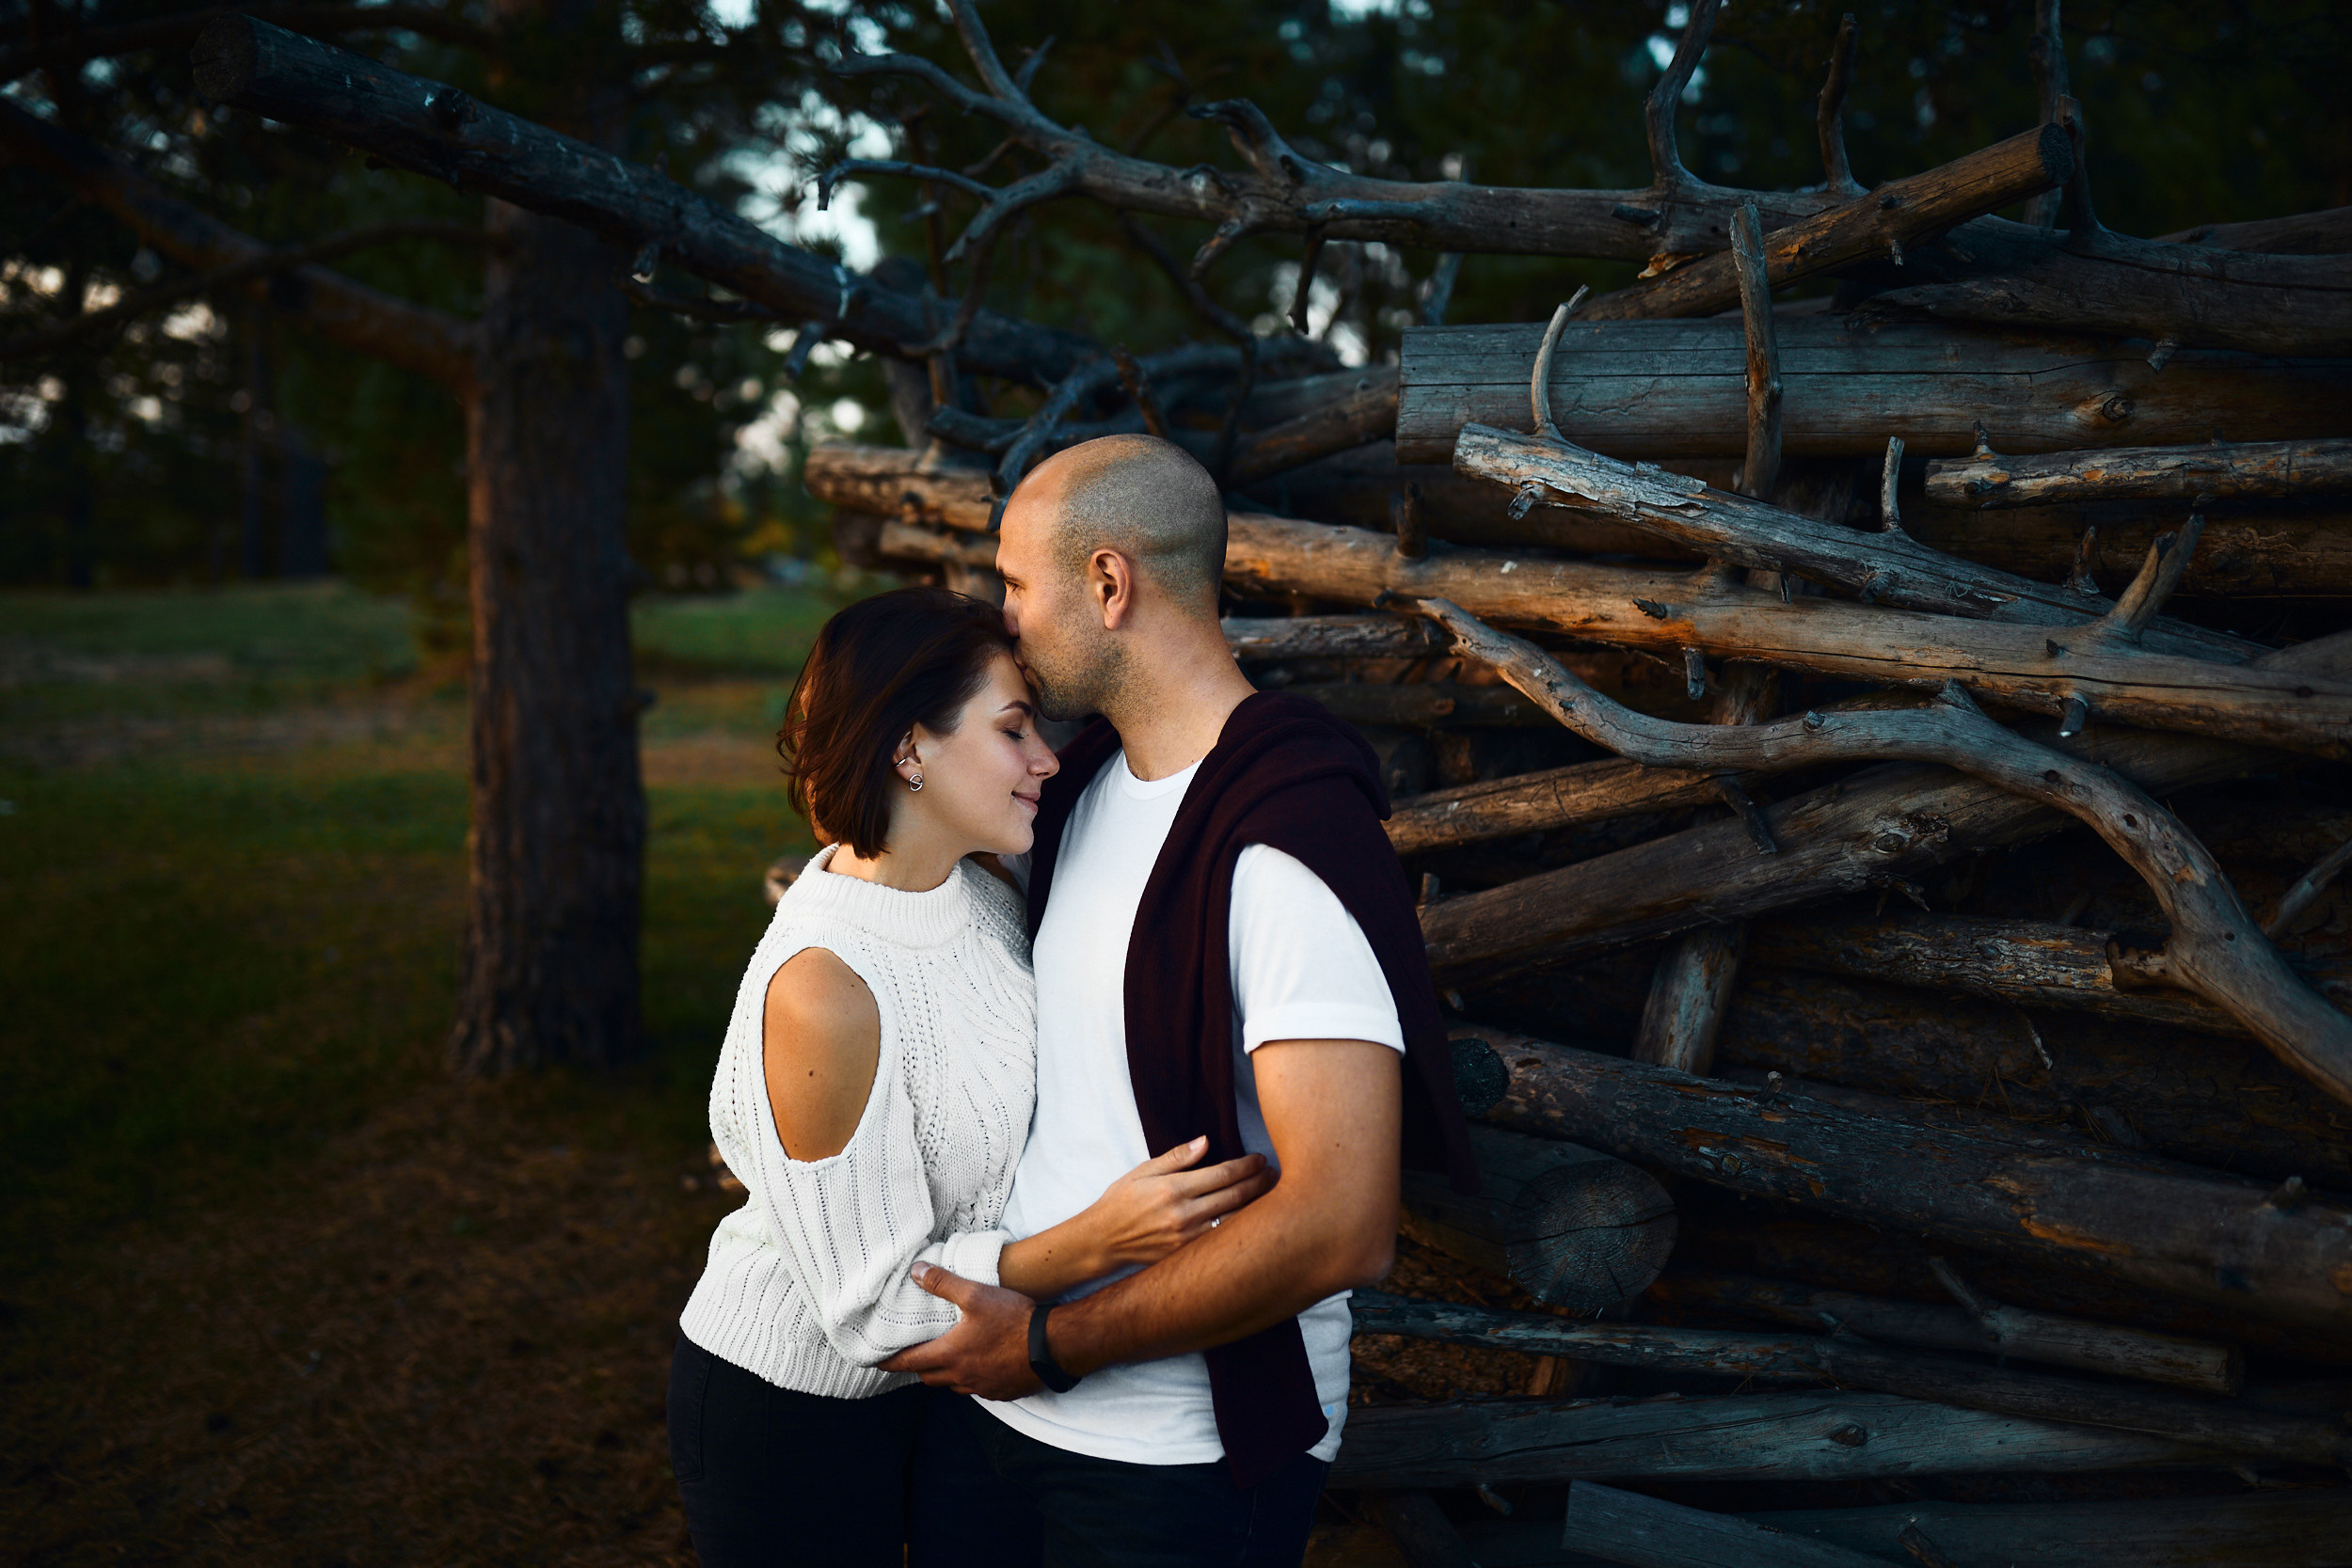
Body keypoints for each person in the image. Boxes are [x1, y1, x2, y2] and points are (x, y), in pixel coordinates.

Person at [883, 436, 1479, 1567]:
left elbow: (1342, 1221)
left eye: (1015, 582)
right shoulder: (1076, 788)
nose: (1000, 617)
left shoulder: (1287, 836)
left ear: (1108, 583)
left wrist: (1054, 1341)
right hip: (997, 1409)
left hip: (1175, 1455)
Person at [666, 586, 1275, 1568]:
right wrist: (1092, 1241)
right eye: (1012, 729)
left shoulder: (981, 881)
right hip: (792, 1408)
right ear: (909, 751)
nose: (1046, 758)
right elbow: (870, 1315)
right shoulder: (828, 986)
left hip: (947, 1398)